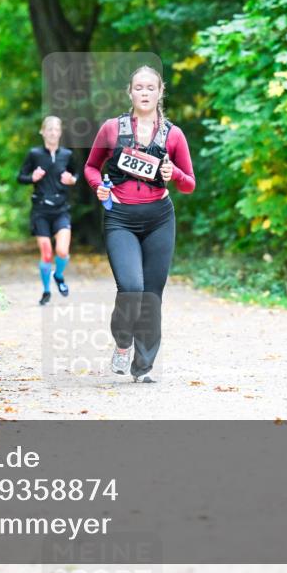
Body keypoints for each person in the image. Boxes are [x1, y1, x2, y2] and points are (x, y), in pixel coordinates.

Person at [83, 66, 196, 383]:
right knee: (131, 288)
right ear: (129, 92)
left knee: (152, 295)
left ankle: (143, 366)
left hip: (159, 218)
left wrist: (173, 175)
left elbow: (189, 184)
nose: (144, 92)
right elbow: (91, 167)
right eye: (139, 87)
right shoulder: (111, 129)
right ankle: (122, 342)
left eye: (151, 87)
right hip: (120, 219)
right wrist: (99, 187)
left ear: (160, 93)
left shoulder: (172, 134)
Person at [17, 116, 77, 305]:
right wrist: (32, 177)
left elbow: (76, 174)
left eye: (56, 129)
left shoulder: (67, 154)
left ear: (60, 132)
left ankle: (58, 275)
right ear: (42, 132)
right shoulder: (34, 154)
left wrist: (72, 180)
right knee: (46, 254)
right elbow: (20, 177)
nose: (52, 132)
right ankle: (46, 291)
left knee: (62, 251)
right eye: (49, 129)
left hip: (61, 209)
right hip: (40, 210)